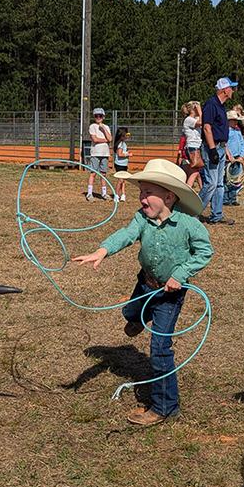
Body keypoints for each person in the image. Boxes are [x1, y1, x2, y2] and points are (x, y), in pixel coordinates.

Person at [72, 159, 213, 427]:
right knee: (131, 313)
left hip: (168, 295)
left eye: (148, 192)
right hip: (144, 284)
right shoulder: (141, 218)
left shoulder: (189, 224)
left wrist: (179, 275)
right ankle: (135, 318)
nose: (142, 197)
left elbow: (205, 251)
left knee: (159, 349)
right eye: (141, 191)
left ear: (169, 197)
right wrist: (102, 251)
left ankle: (165, 407)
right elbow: (125, 234)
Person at [199, 77, 239, 225]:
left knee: (219, 184)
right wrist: (212, 149)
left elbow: (219, 130)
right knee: (211, 184)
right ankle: (192, 214)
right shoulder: (211, 104)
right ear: (224, 90)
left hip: (221, 147)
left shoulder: (221, 106)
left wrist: (225, 150)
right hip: (213, 147)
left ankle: (216, 215)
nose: (233, 91)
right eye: (231, 88)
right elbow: (206, 127)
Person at [85, 108, 112, 201]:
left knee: (103, 174)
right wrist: (105, 140)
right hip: (96, 153)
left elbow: (110, 139)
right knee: (93, 173)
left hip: (105, 153)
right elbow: (95, 139)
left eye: (100, 116)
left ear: (103, 117)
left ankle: (104, 194)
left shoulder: (106, 127)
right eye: (96, 116)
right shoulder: (92, 126)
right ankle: (89, 193)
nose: (98, 117)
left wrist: (103, 129)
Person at [224, 110, 244, 206]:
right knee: (227, 178)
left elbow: (242, 143)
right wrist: (229, 155)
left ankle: (232, 198)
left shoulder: (237, 131)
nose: (236, 122)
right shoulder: (225, 131)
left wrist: (241, 155)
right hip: (229, 159)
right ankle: (225, 198)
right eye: (234, 120)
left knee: (235, 179)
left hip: (237, 158)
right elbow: (224, 144)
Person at [181, 100, 204, 189]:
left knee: (195, 171)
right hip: (192, 147)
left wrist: (199, 113)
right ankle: (187, 190)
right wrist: (200, 112)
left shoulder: (192, 119)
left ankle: (199, 189)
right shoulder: (188, 120)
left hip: (195, 147)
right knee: (195, 172)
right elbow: (201, 122)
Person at [112, 127, 131, 201]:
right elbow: (120, 154)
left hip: (124, 164)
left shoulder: (123, 143)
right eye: (126, 134)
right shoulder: (120, 144)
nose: (128, 135)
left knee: (123, 180)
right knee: (120, 180)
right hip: (120, 165)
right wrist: (128, 154)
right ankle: (116, 195)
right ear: (122, 135)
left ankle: (123, 194)